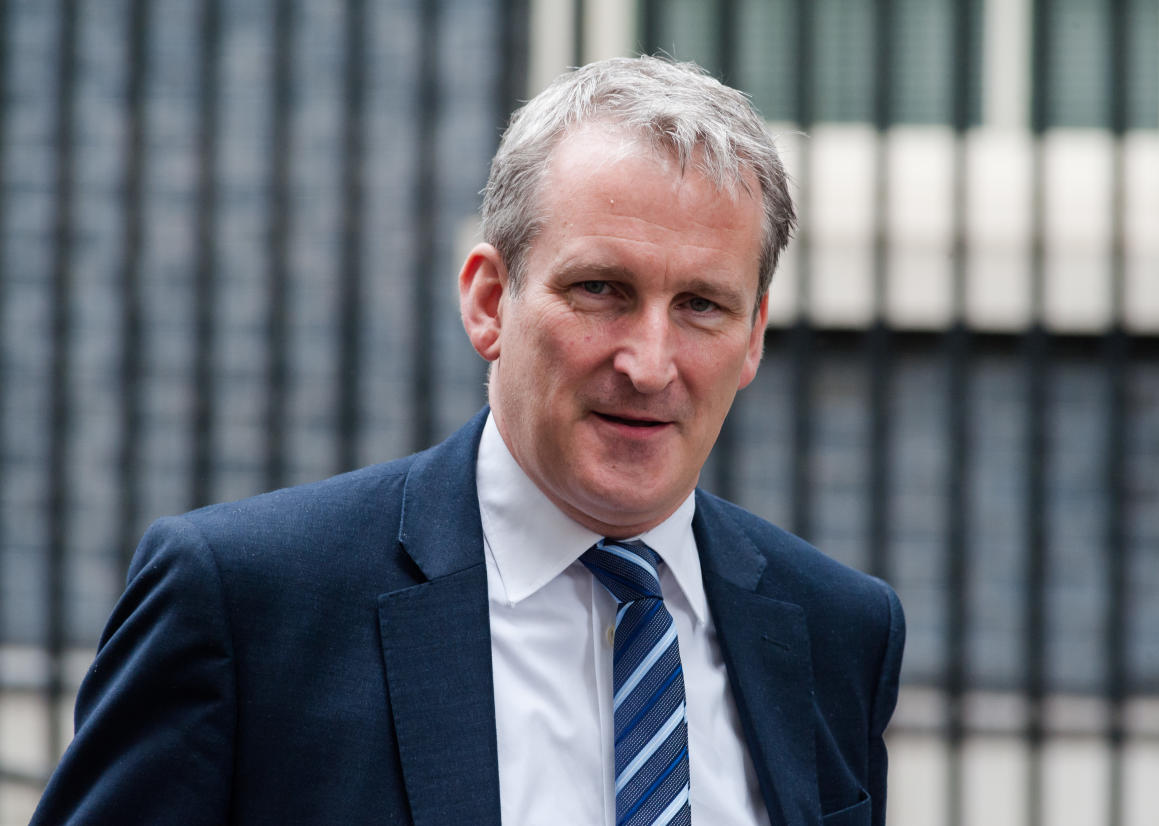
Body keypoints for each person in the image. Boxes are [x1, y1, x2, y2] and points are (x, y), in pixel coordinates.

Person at [32, 56, 903, 826]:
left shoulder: (837, 630)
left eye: (701, 306)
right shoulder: (247, 602)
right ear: (490, 302)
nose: (648, 362)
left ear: (752, 337)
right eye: (600, 288)